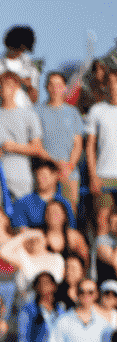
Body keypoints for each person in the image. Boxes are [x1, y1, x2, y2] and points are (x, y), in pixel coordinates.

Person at [0, 71, 47, 210]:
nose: (6, 88)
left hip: (22, 176)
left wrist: (13, 147)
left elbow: (37, 148)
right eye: (2, 85)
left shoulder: (29, 115)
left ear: (17, 87)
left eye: (10, 85)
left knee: (22, 219)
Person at [35, 72, 85, 213]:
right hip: (46, 173)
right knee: (45, 214)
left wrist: (68, 167)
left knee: (69, 213)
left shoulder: (73, 113)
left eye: (59, 85)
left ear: (64, 88)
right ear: (46, 87)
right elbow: (37, 145)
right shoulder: (37, 111)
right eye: (51, 84)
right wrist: (57, 164)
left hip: (69, 173)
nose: (55, 88)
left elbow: (78, 144)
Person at [86, 67, 117, 238]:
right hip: (103, 175)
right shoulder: (97, 110)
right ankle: (99, 263)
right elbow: (90, 145)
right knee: (102, 220)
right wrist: (93, 175)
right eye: (111, 83)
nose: (114, 87)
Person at [0, 26, 40, 107]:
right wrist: (5, 86)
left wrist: (29, 86)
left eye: (24, 49)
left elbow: (34, 100)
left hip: (24, 114)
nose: (20, 52)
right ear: (9, 45)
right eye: (18, 48)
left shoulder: (30, 66)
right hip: (2, 114)